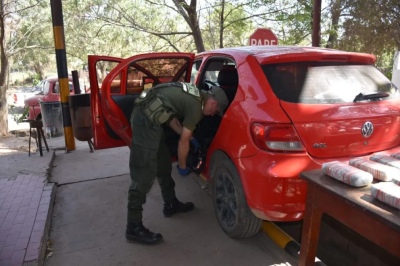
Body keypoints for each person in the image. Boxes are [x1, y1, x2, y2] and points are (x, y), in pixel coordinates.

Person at [126, 82, 228, 245]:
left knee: (164, 163)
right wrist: (182, 167)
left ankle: (170, 203)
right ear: (214, 103)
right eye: (215, 111)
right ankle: (133, 227)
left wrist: (188, 135)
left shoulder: (195, 95)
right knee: (143, 175)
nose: (211, 114)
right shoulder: (196, 107)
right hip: (145, 121)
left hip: (153, 118)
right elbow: (182, 143)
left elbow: (170, 116)